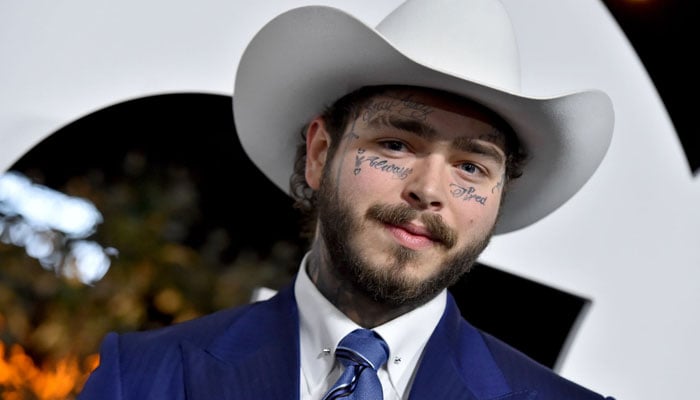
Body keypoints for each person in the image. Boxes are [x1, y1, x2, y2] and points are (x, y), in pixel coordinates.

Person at [79, 0, 616, 399]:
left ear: (497, 199)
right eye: (396, 145)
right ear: (319, 153)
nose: (429, 190)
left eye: (471, 167)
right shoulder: (142, 379)